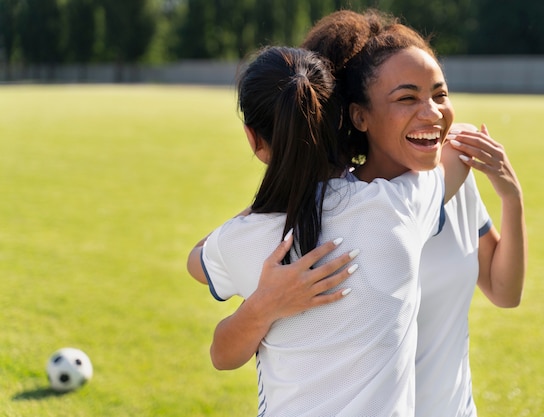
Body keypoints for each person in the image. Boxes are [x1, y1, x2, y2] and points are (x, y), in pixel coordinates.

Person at [202, 9, 527, 417]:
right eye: (407, 97)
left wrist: (512, 199)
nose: (431, 111)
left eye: (440, 94)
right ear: (358, 115)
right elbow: (225, 341)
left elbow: (504, 290)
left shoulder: (448, 178)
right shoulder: (328, 214)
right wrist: (265, 302)